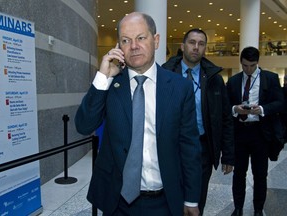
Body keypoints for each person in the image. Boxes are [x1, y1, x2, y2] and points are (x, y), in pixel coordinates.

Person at [75, 12, 202, 216]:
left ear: (156, 40)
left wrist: (191, 197)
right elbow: (83, 125)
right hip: (117, 201)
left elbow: (189, 146)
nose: (134, 46)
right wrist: (102, 77)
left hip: (165, 201)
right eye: (126, 40)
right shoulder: (111, 84)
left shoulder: (179, 88)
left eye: (141, 38)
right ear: (119, 47)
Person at [162, 28, 235, 215]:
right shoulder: (164, 75)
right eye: (192, 42)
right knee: (170, 199)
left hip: (202, 148)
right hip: (171, 147)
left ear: (205, 49)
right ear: (182, 46)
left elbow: (225, 118)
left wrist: (228, 154)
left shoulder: (214, 80)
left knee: (197, 200)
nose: (196, 47)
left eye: (201, 44)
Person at [226, 46, 284, 216]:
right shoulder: (234, 81)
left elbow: (280, 103)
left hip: (260, 133)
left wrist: (262, 109)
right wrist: (235, 109)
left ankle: (258, 209)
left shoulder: (270, 78)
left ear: (258, 62)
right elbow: (225, 106)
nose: (248, 69)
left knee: (260, 174)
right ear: (241, 63)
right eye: (245, 65)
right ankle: (238, 208)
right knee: (239, 174)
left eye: (252, 65)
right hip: (240, 133)